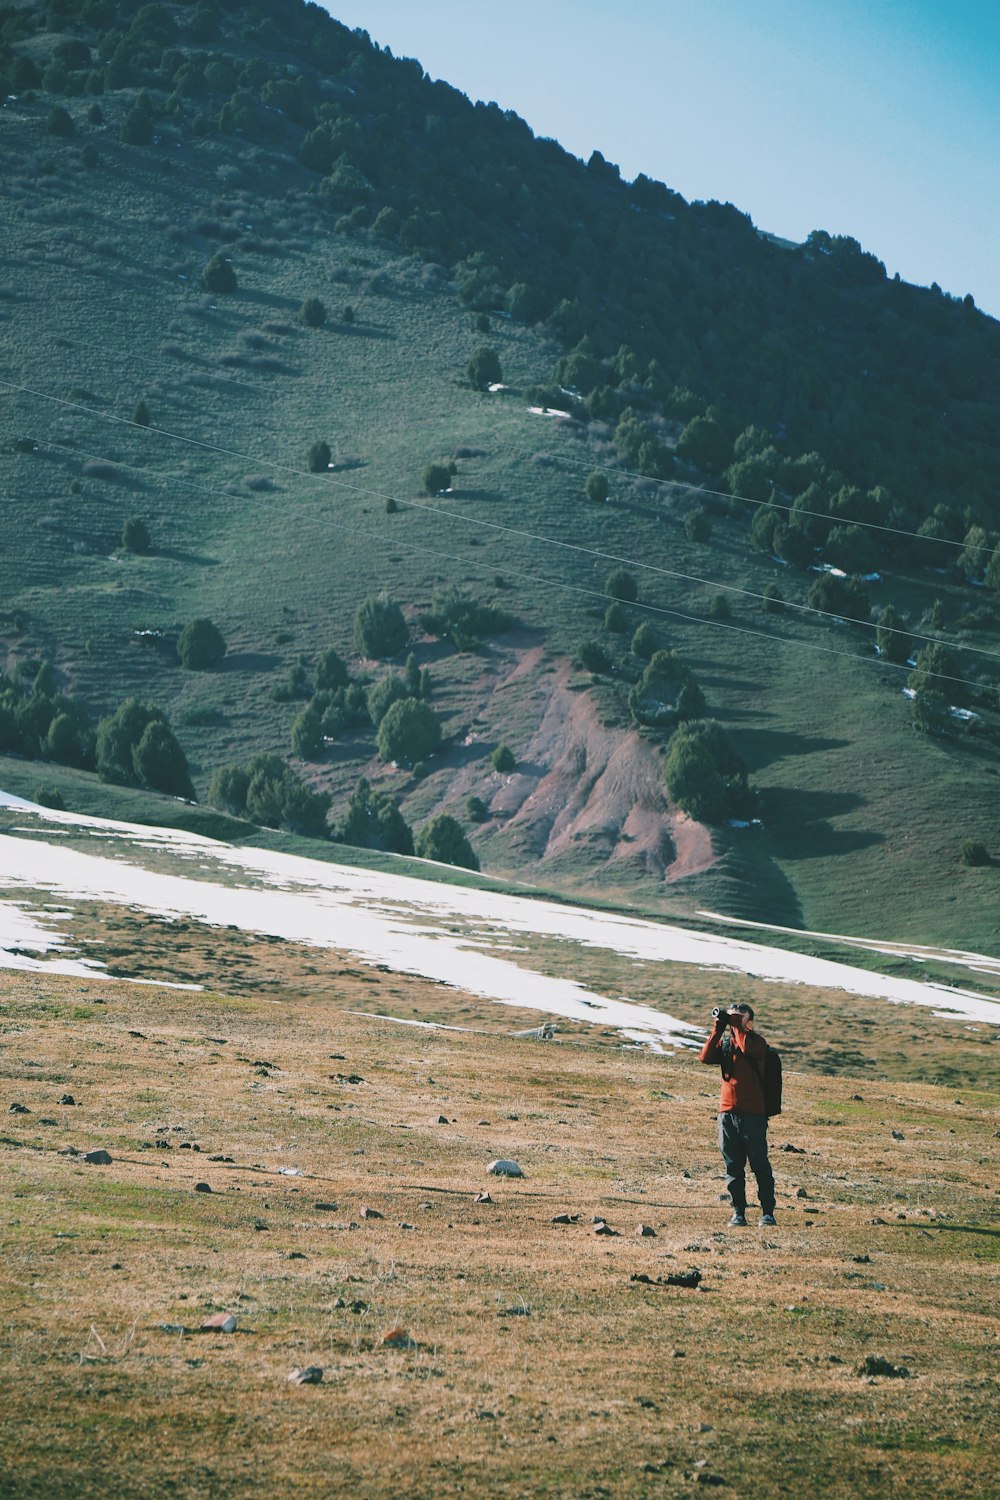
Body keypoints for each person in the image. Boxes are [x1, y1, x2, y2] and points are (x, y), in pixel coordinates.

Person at [699, 1003, 777, 1227]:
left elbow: (748, 1049)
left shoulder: (757, 1043)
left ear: (749, 1022)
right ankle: (738, 1212)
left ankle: (767, 1212)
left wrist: (738, 1029)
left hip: (753, 1115)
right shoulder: (726, 1043)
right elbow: (705, 1057)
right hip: (727, 1114)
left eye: (740, 1017)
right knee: (733, 1166)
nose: (734, 1020)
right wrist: (719, 1028)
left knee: (759, 1164)